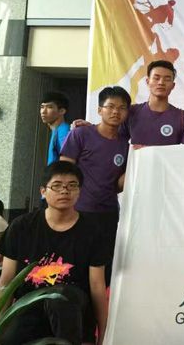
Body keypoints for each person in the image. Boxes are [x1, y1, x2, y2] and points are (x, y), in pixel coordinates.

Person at [0, 161, 108, 345]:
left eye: (72, 185)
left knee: (60, 296)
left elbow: (97, 286)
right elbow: (7, 281)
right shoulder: (22, 227)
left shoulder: (93, 231)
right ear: (43, 191)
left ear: (79, 191)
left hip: (71, 310)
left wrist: (103, 334)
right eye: (57, 185)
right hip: (29, 304)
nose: (65, 191)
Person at [60, 86, 130, 285]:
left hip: (108, 213)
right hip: (79, 211)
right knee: (74, 265)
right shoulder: (81, 134)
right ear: (100, 110)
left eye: (122, 108)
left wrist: (136, 169)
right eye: (110, 106)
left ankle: (99, 302)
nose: (116, 112)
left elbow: (118, 185)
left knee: (103, 265)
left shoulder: (125, 144)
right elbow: (64, 170)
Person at [121, 60, 184, 145]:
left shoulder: (183, 118)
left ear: (173, 85)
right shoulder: (130, 112)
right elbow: (117, 144)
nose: (161, 83)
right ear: (147, 81)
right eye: (156, 78)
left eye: (167, 79)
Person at [40, 92, 71, 165]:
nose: (43, 111)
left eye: (49, 107)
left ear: (62, 111)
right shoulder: (56, 130)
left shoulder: (64, 131)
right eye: (42, 107)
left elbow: (67, 163)